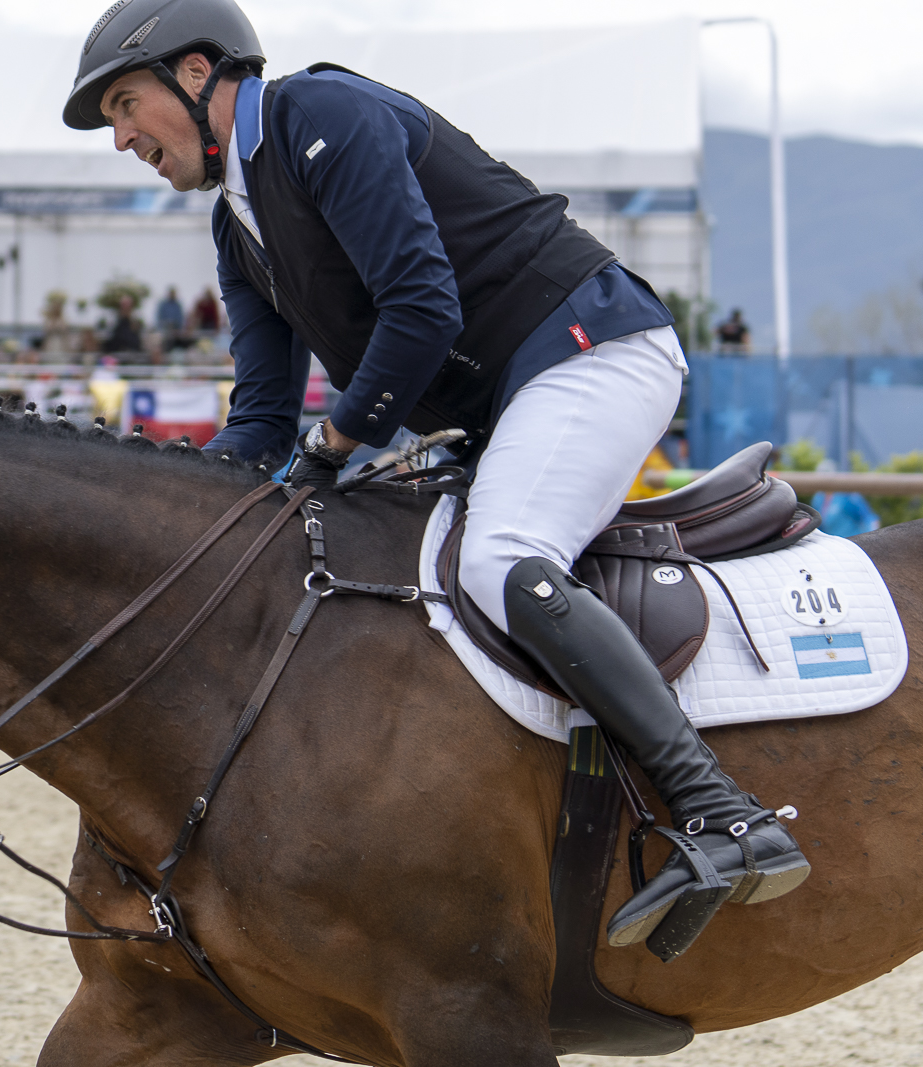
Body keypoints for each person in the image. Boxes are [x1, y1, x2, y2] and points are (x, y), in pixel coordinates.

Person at [64, 0, 807, 953]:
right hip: (504, 401)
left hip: (592, 347)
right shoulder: (236, 227)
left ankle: (724, 812)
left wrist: (334, 445)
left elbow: (421, 307)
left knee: (502, 556)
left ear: (199, 73)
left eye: (126, 105)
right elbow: (256, 422)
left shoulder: (321, 115)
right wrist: (152, 514)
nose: (122, 137)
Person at [102, 293, 144, 358]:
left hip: (132, 354)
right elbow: (109, 338)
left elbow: (137, 341)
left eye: (128, 307)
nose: (126, 309)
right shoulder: (113, 320)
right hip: (114, 354)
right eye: (124, 306)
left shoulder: (135, 322)